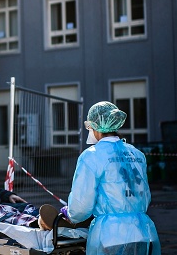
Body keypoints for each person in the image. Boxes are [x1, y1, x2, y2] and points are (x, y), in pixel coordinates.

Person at [58, 101, 161, 254]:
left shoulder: (92, 156)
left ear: (95, 127)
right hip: (143, 232)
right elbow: (144, 194)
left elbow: (81, 205)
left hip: (111, 237)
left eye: (89, 127)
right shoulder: (136, 154)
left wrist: (70, 213)